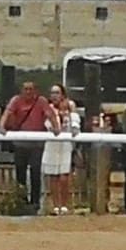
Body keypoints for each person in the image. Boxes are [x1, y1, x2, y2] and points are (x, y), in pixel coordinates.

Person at [0, 80, 57, 211]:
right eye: (26, 89)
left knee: (35, 171)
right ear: (21, 90)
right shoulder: (16, 100)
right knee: (20, 172)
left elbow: (50, 114)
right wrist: (2, 126)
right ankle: (21, 200)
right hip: (20, 143)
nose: (28, 92)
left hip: (36, 144)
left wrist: (56, 127)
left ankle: (35, 203)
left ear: (35, 90)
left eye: (31, 89)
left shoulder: (41, 101)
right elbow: (7, 113)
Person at [41, 85, 80, 214]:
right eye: (52, 93)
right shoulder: (48, 107)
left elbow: (75, 120)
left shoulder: (70, 105)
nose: (54, 95)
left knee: (64, 176)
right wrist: (52, 127)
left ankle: (64, 205)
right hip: (52, 144)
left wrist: (75, 127)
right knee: (53, 176)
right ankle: (55, 205)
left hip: (65, 144)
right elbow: (47, 123)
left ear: (62, 94)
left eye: (57, 92)